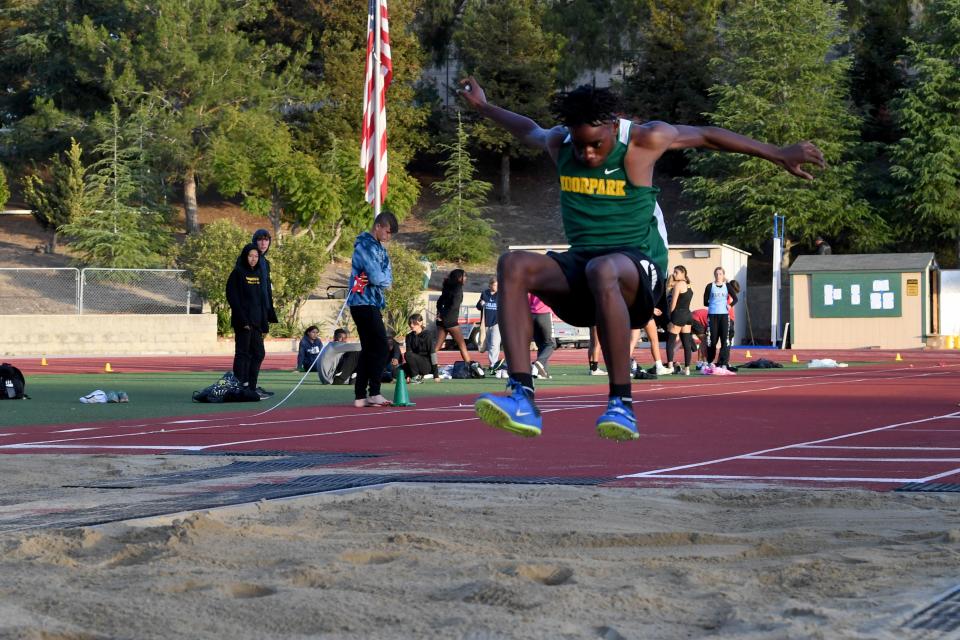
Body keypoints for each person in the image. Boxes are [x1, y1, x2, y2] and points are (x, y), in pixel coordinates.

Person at [462, 77, 824, 440]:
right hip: (584, 267)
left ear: (613, 126)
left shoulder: (643, 140)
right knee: (513, 265)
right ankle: (522, 396)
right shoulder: (562, 142)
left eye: (596, 145)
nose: (587, 154)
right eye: (581, 146)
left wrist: (776, 153)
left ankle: (621, 403)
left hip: (637, 270)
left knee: (603, 268)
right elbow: (531, 130)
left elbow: (707, 135)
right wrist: (483, 107)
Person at [347, 211, 399, 407]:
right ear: (378, 226)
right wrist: (382, 277)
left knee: (369, 348)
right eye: (387, 231)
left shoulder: (380, 249)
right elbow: (378, 278)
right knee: (380, 346)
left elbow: (388, 277)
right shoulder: (364, 246)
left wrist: (383, 277)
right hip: (362, 302)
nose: (388, 236)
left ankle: (361, 395)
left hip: (373, 302)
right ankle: (374, 391)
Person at [225, 243, 268, 400]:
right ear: (245, 256)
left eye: (256, 256)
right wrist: (243, 319)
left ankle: (251, 386)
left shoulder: (258, 274)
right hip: (243, 322)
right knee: (242, 354)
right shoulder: (237, 273)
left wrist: (264, 322)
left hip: (256, 322)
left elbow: (261, 300)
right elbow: (232, 297)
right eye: (250, 256)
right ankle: (239, 385)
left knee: (258, 353)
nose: (253, 259)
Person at [434, 269, 482, 377]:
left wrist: (440, 314)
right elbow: (454, 306)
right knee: (462, 345)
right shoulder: (458, 289)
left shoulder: (447, 286)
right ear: (459, 278)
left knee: (437, 346)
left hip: (442, 320)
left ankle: (428, 364)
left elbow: (439, 302)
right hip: (451, 321)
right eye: (464, 277)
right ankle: (470, 366)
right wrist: (445, 316)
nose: (465, 278)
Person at [251, 229, 279, 398]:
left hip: (262, 312)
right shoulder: (250, 261)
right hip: (252, 313)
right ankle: (247, 385)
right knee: (254, 352)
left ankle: (251, 384)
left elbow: (265, 289)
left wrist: (268, 311)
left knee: (256, 352)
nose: (263, 243)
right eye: (260, 240)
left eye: (266, 240)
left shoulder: (265, 262)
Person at [703, 266, 737, 369]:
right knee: (711, 340)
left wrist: (729, 305)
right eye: (717, 274)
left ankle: (723, 363)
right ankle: (710, 361)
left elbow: (735, 299)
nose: (718, 276)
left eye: (720, 274)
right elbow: (705, 302)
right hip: (712, 316)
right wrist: (714, 304)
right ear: (714, 275)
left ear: (723, 275)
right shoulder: (710, 286)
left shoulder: (727, 286)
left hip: (724, 316)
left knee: (725, 340)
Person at [665, 265, 694, 376]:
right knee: (686, 343)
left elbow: (673, 303)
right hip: (687, 315)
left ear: (683, 273)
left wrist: (670, 316)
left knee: (670, 342)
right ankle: (687, 369)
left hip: (678, 314)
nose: (674, 274)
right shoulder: (689, 285)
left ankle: (670, 367)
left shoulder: (678, 285)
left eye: (676, 272)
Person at [477, 277, 503, 371]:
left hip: (497, 323)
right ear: (490, 285)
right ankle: (492, 362)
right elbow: (478, 307)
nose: (496, 287)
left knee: (494, 344)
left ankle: (493, 364)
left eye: (497, 285)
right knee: (486, 344)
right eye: (494, 285)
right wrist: (481, 303)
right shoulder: (485, 293)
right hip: (486, 323)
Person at [404, 313, 438, 383]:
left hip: (426, 365)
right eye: (410, 323)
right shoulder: (409, 336)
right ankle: (415, 376)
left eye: (414, 323)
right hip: (414, 364)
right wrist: (408, 373)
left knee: (408, 354)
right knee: (395, 372)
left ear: (421, 323)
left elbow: (432, 353)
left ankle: (415, 377)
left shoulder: (428, 335)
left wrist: (436, 375)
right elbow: (409, 355)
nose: (411, 325)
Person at [529, 293, 556, 379]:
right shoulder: (547, 283)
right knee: (551, 344)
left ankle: (542, 373)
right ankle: (539, 362)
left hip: (532, 315)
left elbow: (528, 299)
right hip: (544, 314)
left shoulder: (532, 284)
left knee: (541, 345)